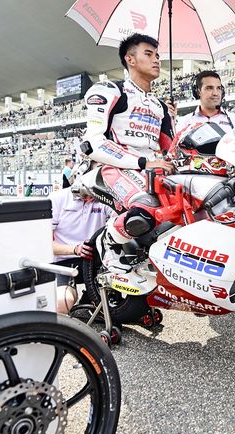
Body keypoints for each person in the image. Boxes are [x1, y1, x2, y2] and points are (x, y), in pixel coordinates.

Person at [81, 33, 175, 274]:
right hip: (111, 169)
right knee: (147, 207)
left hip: (150, 170)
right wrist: (142, 162)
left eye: (157, 55)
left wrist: (173, 119)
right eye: (148, 54)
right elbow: (92, 142)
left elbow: (171, 148)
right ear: (130, 59)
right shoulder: (110, 90)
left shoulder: (160, 106)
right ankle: (109, 241)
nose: (156, 60)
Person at [49, 186, 113, 313]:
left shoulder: (104, 197)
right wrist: (75, 249)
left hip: (95, 262)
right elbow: (44, 244)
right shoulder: (57, 198)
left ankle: (90, 300)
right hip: (62, 263)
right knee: (63, 302)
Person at [175, 70, 235, 138]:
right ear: (198, 92)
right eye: (209, 88)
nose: (215, 93)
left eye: (218, 88)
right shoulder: (184, 122)